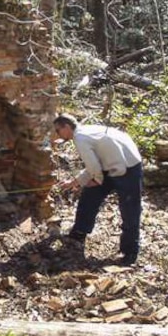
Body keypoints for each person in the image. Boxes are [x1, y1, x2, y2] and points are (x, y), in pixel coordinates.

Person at [53, 113, 143, 265]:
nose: (58, 135)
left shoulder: (80, 138)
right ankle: (79, 232)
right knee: (90, 196)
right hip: (113, 164)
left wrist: (97, 180)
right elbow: (94, 165)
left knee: (129, 209)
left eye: (58, 130)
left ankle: (130, 251)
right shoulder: (86, 132)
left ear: (67, 127)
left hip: (128, 167)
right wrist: (75, 182)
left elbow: (94, 166)